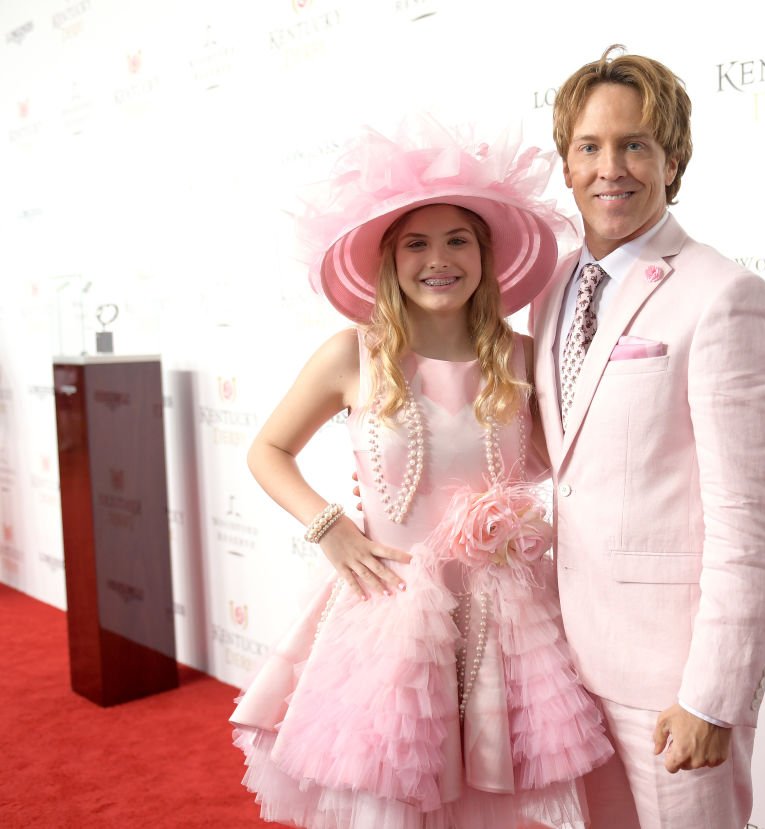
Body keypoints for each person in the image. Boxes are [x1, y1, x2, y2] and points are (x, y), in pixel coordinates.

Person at [230, 124, 613, 829]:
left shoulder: (526, 359)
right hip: (391, 619)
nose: (439, 259)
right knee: (396, 800)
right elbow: (267, 450)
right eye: (417, 242)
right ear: (389, 260)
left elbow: (584, 466)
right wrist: (331, 528)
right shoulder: (354, 355)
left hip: (506, 626)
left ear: (486, 254)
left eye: (458, 239)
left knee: (491, 804)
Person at [527, 46, 765, 829]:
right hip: (570, 672)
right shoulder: (548, 291)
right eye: (590, 147)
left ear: (672, 161)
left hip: (675, 685)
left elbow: (753, 519)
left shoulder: (723, 294)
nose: (612, 168)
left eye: (635, 144)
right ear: (566, 164)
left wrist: (713, 693)